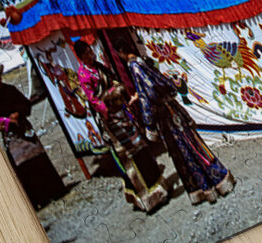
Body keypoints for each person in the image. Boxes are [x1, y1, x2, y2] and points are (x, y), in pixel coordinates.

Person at [116, 41, 235, 205]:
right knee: (192, 143)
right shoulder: (142, 61)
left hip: (166, 117)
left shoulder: (134, 66)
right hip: (171, 108)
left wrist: (148, 123)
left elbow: (148, 94)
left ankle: (206, 187)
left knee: (184, 150)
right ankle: (217, 182)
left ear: (121, 51)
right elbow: (159, 84)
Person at [74, 40, 168, 212]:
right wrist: (111, 96)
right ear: (81, 57)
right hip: (111, 119)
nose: (90, 55)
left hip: (122, 113)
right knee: (129, 153)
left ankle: (158, 187)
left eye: (90, 51)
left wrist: (119, 88)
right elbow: (93, 100)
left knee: (140, 146)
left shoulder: (99, 67)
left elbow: (113, 81)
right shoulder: (84, 75)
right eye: (86, 53)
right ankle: (145, 198)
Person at [0, 61, 66, 208]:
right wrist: (6, 121)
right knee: (23, 164)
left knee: (38, 157)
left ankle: (54, 191)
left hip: (23, 127)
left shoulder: (10, 89)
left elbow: (25, 103)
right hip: (11, 134)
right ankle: (38, 199)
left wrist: (18, 113)